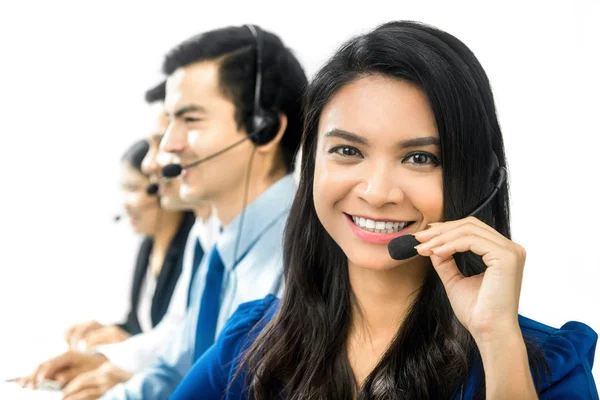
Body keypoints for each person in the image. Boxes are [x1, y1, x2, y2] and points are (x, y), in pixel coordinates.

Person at [169, 21, 599, 399]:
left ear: (479, 177)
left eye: (419, 158)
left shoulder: (546, 367)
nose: (376, 193)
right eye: (347, 150)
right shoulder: (251, 342)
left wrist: (497, 342)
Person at [101, 24, 307, 399]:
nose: (169, 144)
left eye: (190, 120)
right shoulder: (219, 245)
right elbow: (174, 368)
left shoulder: (303, 257)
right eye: (171, 120)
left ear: (264, 129)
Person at [47, 81, 223, 400]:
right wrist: (107, 353)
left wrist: (117, 362)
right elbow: (175, 334)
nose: (153, 165)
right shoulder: (198, 237)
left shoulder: (202, 240)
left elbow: (194, 353)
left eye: (134, 187)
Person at [17, 97, 199, 392]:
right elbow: (146, 326)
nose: (125, 203)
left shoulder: (196, 245)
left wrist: (119, 352)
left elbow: (183, 340)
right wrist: (108, 332)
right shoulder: (147, 248)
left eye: (132, 188)